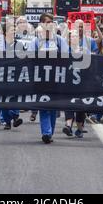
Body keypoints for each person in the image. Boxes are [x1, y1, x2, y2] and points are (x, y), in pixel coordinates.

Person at [35, 13, 69, 144]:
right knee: (43, 106)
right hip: (41, 79)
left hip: (56, 79)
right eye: (47, 22)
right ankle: (46, 133)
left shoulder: (60, 40)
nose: (50, 24)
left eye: (51, 22)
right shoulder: (36, 41)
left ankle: (50, 132)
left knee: (53, 107)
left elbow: (67, 57)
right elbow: (29, 60)